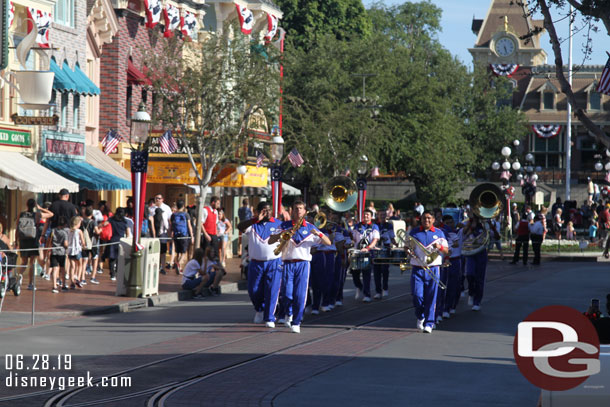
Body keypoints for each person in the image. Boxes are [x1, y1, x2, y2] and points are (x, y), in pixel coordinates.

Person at [270, 200, 331, 334]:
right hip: (287, 263)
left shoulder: (309, 227)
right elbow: (270, 240)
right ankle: (289, 312)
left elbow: (328, 242)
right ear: (292, 210)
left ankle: (296, 322)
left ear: (304, 211)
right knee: (286, 294)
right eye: (296, 208)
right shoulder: (284, 225)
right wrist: (282, 234)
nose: (298, 211)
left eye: (301, 209)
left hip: (303, 264)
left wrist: (319, 233)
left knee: (300, 295)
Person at [238, 201, 282, 327]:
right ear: (257, 212)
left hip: (274, 262)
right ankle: (260, 309)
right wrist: (255, 219)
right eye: (263, 210)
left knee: (272, 290)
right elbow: (239, 227)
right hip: (256, 263)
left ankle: (269, 317)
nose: (266, 212)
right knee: (253, 290)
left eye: (268, 210)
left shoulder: (279, 224)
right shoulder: (253, 225)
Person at [409, 211, 448, 333]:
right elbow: (408, 246)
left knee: (431, 297)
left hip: (433, 268)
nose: (426, 220)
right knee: (417, 296)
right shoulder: (414, 232)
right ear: (421, 219)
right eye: (424, 218)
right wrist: (409, 251)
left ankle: (429, 323)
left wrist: (439, 247)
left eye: (429, 218)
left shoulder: (439, 233)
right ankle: (420, 316)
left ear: (433, 220)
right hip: (418, 268)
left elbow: (447, 250)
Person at [16, 199, 52, 290]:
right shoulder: (37, 215)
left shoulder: (21, 214)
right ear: (34, 205)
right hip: (33, 239)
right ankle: (30, 284)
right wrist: (41, 208)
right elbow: (51, 214)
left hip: (23, 240)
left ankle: (19, 276)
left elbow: (17, 229)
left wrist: (16, 241)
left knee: (24, 262)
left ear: (27, 205)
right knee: (32, 262)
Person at [350, 209, 380, 303]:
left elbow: (375, 240)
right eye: (365, 214)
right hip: (357, 253)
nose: (366, 216)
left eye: (368, 215)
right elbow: (353, 239)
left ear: (371, 216)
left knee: (366, 274)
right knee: (354, 273)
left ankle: (367, 295)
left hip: (367, 253)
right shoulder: (357, 226)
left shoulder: (374, 226)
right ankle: (359, 287)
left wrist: (368, 248)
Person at [462, 217, 489, 312]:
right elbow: (462, 237)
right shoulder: (467, 225)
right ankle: (471, 292)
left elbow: (495, 236)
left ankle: (477, 302)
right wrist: (470, 227)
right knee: (469, 274)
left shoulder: (485, 225)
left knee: (479, 279)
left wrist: (488, 226)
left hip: (481, 253)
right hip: (471, 252)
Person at [440, 215, 463, 316]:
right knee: (443, 285)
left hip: (455, 260)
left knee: (454, 285)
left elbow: (456, 244)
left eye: (451, 222)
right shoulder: (441, 232)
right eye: (447, 223)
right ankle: (443, 308)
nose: (450, 225)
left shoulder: (457, 232)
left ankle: (451, 306)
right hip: (444, 261)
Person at [101, 208, 131, 281]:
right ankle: (117, 272)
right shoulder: (125, 221)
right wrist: (127, 239)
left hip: (112, 240)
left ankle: (112, 274)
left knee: (112, 258)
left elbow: (104, 224)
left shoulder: (112, 219)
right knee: (119, 258)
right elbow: (128, 232)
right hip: (121, 241)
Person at [373, 211, 395, 299]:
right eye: (380, 214)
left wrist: (396, 243)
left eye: (383, 215)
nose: (382, 216)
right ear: (378, 215)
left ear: (386, 216)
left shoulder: (389, 225)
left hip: (386, 248)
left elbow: (392, 237)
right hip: (376, 248)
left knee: (385, 269)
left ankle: (385, 288)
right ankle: (378, 291)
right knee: (376, 270)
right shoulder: (374, 225)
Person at [170, 200, 194, 274]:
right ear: (183, 206)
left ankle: (179, 268)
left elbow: (171, 225)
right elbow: (189, 225)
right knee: (184, 252)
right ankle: (179, 263)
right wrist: (192, 235)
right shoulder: (186, 214)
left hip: (176, 234)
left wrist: (171, 233)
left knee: (178, 252)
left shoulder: (173, 215)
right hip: (184, 235)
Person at [150, 194, 172, 273]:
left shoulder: (166, 208)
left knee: (162, 251)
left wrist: (170, 233)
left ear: (162, 199)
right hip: (155, 234)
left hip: (162, 233)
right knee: (156, 251)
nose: (157, 200)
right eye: (156, 198)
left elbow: (169, 222)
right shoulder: (151, 209)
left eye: (159, 198)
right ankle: (157, 266)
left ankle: (162, 267)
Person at [49, 217, 69, 293]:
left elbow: (49, 240)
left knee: (55, 269)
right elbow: (65, 244)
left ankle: (54, 286)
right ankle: (63, 285)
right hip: (61, 252)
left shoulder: (53, 231)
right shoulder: (64, 233)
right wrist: (67, 246)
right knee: (62, 269)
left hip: (54, 252)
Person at [66, 216, 85, 289]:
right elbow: (83, 242)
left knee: (72, 266)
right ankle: (78, 278)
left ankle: (72, 282)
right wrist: (84, 245)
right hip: (77, 250)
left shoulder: (68, 230)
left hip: (70, 250)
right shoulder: (79, 231)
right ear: (77, 223)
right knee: (80, 264)